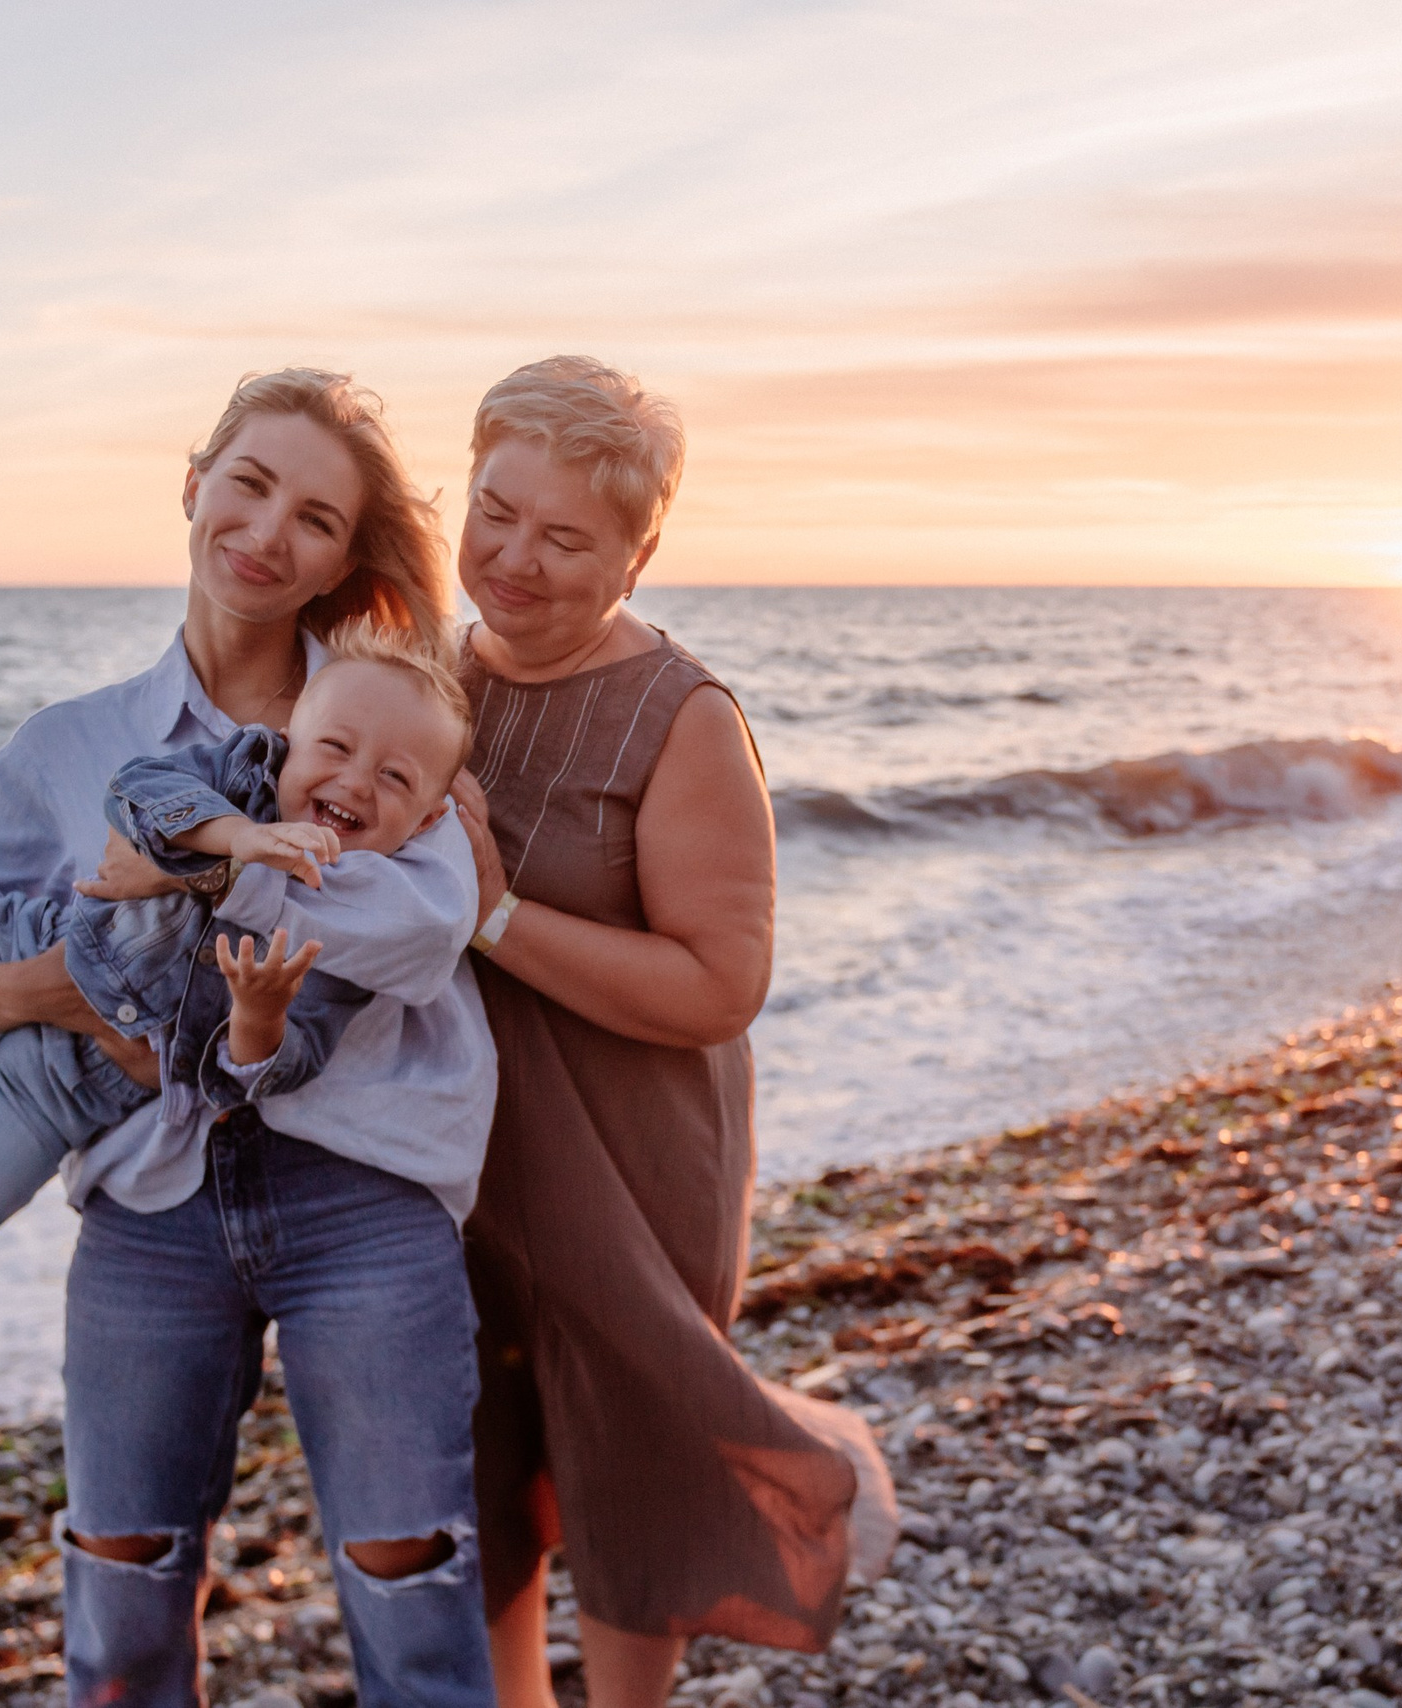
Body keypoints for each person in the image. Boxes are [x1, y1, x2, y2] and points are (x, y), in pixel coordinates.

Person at [0, 368, 497, 1708]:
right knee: (122, 1592)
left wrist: (179, 887)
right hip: (146, 1200)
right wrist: (35, 991)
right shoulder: (68, 748)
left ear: (340, 561)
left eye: (316, 517)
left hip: (358, 1191)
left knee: (406, 1582)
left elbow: (421, 934)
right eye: (247, 484)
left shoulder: (386, 726)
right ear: (192, 484)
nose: (267, 531)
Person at [0, 630, 475, 1493]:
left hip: (66, 1087)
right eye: (336, 747)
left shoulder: (352, 934)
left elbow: (264, 1072)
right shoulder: (241, 769)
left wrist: (258, 1018)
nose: (354, 781)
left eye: (396, 779)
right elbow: (139, 790)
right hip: (48, 940)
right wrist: (236, 841)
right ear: (291, 734)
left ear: (428, 820)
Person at [448, 356, 896, 1708]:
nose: (515, 559)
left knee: (628, 1478)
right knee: (474, 1481)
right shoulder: (415, 670)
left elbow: (719, 984)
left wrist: (498, 917)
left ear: (639, 552)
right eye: (495, 510)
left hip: (632, 1167)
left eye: (565, 537)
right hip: (449, 1160)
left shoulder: (682, 718)